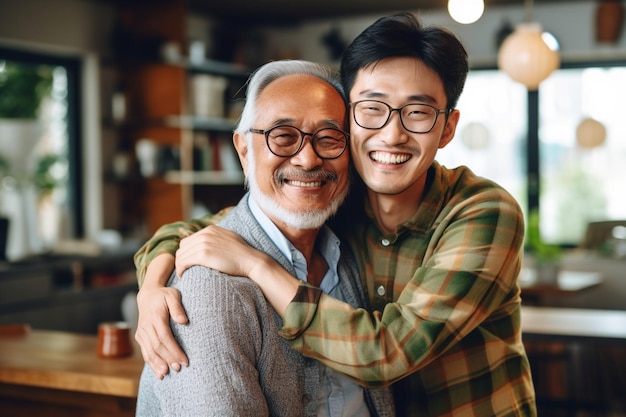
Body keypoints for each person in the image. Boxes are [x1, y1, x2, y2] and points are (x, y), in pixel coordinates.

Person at [134, 12, 537, 416]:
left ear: (447, 128)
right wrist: (154, 284)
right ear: (349, 120)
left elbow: (387, 353)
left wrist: (257, 266)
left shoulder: (483, 211)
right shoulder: (337, 195)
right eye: (372, 108)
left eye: (417, 112)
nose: (392, 134)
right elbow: (208, 228)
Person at [135, 59, 394, 416]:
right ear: (243, 150)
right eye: (284, 136)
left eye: (330, 137)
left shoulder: (348, 249)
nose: (307, 159)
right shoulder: (209, 291)